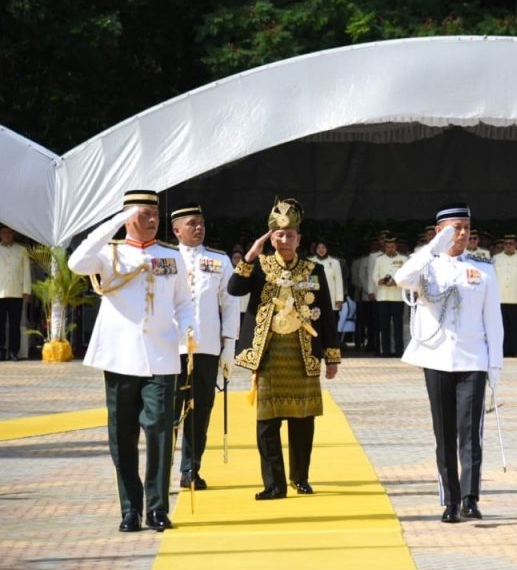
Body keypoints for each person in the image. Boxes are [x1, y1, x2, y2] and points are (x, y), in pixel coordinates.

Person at [68, 190, 197, 533]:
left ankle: (157, 507)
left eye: (156, 213)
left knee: (158, 431)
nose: (154, 220)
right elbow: (75, 262)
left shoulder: (172, 256)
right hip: (121, 356)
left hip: (161, 355)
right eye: (145, 214)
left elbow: (184, 301)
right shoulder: (109, 254)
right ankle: (130, 508)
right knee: (121, 436)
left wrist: (187, 327)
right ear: (127, 218)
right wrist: (114, 221)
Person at [394, 203, 503, 523]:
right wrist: (431, 249)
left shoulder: (483, 268)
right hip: (437, 357)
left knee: (470, 434)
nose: (463, 233)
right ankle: (450, 500)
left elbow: (493, 320)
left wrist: (495, 364)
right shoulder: (426, 266)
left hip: (473, 359)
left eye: (467, 227)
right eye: (456, 227)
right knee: (444, 433)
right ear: (439, 231)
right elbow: (402, 278)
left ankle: (470, 497)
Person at [228, 198, 341, 500]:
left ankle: (300, 478)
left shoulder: (312, 270)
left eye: (290, 235)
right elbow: (234, 289)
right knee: (267, 423)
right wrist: (251, 255)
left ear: (299, 238)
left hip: (303, 355)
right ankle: (274, 483)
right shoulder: (260, 267)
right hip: (268, 355)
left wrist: (332, 356)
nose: (285, 240)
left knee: (303, 422)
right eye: (279, 235)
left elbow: (327, 315)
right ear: (270, 238)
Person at [169, 203, 239, 490]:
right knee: (168, 413)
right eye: (191, 223)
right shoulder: (166, 259)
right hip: (171, 350)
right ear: (177, 230)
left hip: (207, 348)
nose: (198, 228)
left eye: (201, 223)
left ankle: (190, 469)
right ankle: (161, 471)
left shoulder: (219, 260)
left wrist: (229, 347)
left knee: (200, 411)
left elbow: (231, 303)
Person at [491, 234, 517, 357]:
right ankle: (503, 350)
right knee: (501, 325)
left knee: (515, 325)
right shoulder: (496, 258)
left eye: (511, 243)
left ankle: (516, 350)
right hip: (500, 297)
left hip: (516, 297)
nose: (508, 246)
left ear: (516, 245)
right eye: (506, 244)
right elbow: (492, 278)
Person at [370, 236, 408, 357]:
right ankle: (385, 351)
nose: (390, 249)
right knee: (384, 325)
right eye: (387, 247)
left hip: (397, 296)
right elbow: (374, 275)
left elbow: (407, 275)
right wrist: (379, 280)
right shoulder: (379, 259)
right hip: (383, 296)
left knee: (398, 325)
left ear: (396, 246)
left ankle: (398, 350)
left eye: (392, 246)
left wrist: (397, 282)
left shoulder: (403, 258)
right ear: (384, 247)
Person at [0, 223, 31, 361]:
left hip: (17, 292)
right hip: (0, 292)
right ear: (0, 234)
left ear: (13, 234)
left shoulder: (22, 250)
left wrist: (26, 290)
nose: (7, 235)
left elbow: (26, 273)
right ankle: (0, 350)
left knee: (15, 324)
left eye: (9, 232)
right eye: (4, 232)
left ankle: (14, 351)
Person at [309, 240, 345, 337]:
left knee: (331, 323)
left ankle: (332, 347)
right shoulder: (311, 262)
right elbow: (310, 281)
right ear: (315, 249)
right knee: (316, 322)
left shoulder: (334, 262)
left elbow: (338, 281)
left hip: (331, 297)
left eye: (323, 247)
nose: (321, 250)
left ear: (327, 249)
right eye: (318, 248)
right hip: (316, 297)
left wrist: (339, 299)